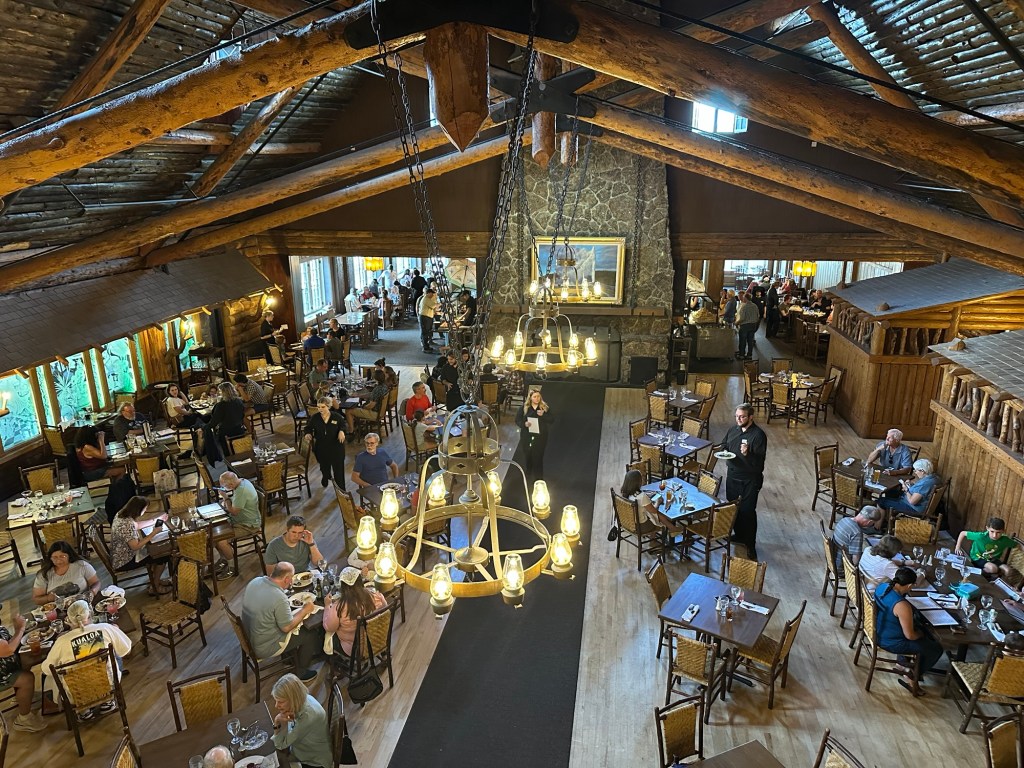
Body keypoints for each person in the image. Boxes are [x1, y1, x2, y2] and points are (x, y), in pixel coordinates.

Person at [42, 600, 132, 714]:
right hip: (109, 684)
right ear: (90, 614)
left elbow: (46, 670)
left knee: (59, 670)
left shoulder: (61, 641)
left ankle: (84, 710)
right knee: (115, 655)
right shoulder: (105, 628)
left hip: (76, 692)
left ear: (69, 620)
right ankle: (107, 702)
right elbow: (126, 650)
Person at [241, 563, 322, 682]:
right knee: (310, 634)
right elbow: (286, 627)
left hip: (248, 635)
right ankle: (301, 672)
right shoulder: (278, 597)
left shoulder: (255, 581)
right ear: (287, 579)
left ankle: (288, 657)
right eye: (292, 578)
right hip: (264, 646)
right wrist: (305, 610)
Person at [874, 566, 943, 694]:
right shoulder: (901, 605)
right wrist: (921, 634)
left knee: (920, 630)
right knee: (935, 648)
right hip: (891, 641)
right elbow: (910, 635)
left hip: (877, 631)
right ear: (910, 585)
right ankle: (912, 676)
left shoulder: (882, 587)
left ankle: (902, 663)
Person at [718, 403, 767, 561]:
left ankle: (750, 544)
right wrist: (724, 450)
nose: (738, 419)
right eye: (737, 416)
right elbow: (724, 444)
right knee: (734, 508)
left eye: (742, 417)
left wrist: (748, 454)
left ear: (751, 417)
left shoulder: (758, 436)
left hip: (749, 480)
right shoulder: (733, 430)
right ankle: (739, 535)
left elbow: (758, 464)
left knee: (748, 512)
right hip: (732, 476)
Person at [111, 496, 171, 595]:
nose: (146, 510)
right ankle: (155, 586)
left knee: (157, 551)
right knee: (162, 555)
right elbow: (135, 546)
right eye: (145, 508)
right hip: (125, 561)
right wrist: (154, 533)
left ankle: (155, 579)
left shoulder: (121, 515)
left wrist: (156, 519)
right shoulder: (126, 525)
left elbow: (136, 525)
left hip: (119, 555)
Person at [270, 673, 333, 768]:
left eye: (281, 702)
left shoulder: (307, 716)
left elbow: (280, 745)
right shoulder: (303, 699)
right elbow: (291, 729)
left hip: (315, 761)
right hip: (302, 751)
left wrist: (277, 722)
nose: (276, 705)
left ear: (293, 698)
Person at [323, 566, 387, 658]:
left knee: (325, 635)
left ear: (342, 586)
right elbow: (384, 608)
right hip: (376, 640)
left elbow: (329, 628)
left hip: (355, 650)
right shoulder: (375, 596)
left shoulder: (339, 607)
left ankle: (339, 666)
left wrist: (327, 606)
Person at [0, 613, 47, 731]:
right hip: (2, 673)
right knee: (27, 679)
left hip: (5, 663)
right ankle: (24, 719)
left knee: (27, 660)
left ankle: (22, 696)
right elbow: (8, 650)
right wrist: (20, 628)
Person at [212, 472, 263, 579]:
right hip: (240, 520)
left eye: (224, 486)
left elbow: (234, 511)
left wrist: (225, 497)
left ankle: (232, 567)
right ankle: (224, 559)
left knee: (221, 540)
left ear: (230, 486)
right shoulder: (242, 480)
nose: (223, 488)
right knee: (215, 532)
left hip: (248, 525)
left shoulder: (241, 491)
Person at [32, 541, 100, 605]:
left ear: (69, 555)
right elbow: (37, 599)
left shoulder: (82, 566)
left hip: (82, 604)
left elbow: (96, 583)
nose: (58, 561)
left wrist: (92, 592)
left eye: (62, 556)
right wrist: (48, 598)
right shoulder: (44, 574)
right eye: (54, 557)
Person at [305, 397, 347, 489]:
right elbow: (308, 428)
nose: (320, 409)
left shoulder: (337, 417)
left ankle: (342, 491)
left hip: (336, 448)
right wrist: (307, 433)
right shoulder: (315, 418)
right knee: (324, 467)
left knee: (339, 471)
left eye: (323, 407)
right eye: (318, 407)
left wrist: (341, 431)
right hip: (321, 448)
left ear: (329, 406)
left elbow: (343, 426)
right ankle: (326, 476)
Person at [516, 389, 554, 484]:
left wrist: (543, 415)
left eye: (538, 396)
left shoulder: (544, 408)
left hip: (540, 436)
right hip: (527, 436)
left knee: (539, 455)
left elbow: (552, 419)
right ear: (530, 398)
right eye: (535, 397)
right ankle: (529, 470)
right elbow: (518, 420)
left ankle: (539, 476)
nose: (537, 399)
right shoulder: (524, 408)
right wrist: (524, 424)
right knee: (528, 453)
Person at [204, 382, 247, 464]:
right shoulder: (239, 402)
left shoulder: (221, 405)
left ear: (223, 392)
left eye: (220, 392)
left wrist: (204, 427)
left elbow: (213, 422)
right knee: (241, 454)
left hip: (226, 433)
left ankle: (230, 469)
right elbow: (242, 416)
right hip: (240, 431)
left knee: (229, 456)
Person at [831, 506, 883, 570]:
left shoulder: (844, 520)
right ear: (869, 522)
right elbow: (855, 559)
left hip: (832, 560)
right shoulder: (857, 532)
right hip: (842, 567)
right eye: (872, 524)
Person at [735, 292, 759, 360]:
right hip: (753, 325)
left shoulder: (744, 307)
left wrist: (736, 323)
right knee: (750, 341)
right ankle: (749, 355)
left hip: (745, 326)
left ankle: (741, 355)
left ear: (745, 298)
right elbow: (758, 316)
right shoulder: (755, 306)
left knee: (742, 341)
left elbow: (742, 318)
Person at [417, 287, 438, 353]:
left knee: (427, 331)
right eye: (432, 293)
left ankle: (426, 346)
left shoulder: (428, 299)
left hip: (427, 317)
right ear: (428, 293)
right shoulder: (426, 299)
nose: (433, 295)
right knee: (425, 332)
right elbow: (433, 305)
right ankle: (425, 347)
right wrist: (439, 304)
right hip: (425, 317)